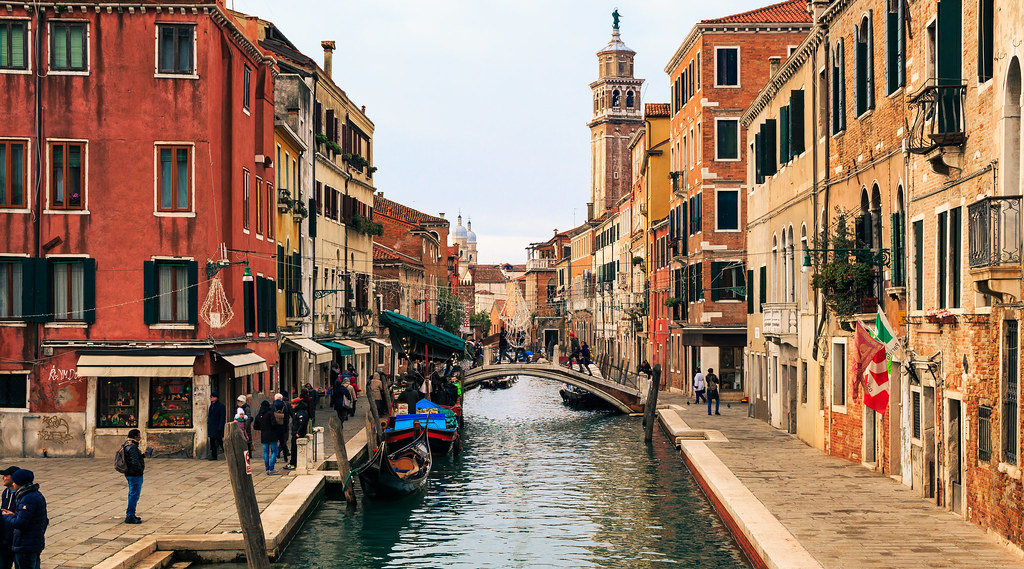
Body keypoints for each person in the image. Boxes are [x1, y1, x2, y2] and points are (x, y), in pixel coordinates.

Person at [1, 470, 47, 569]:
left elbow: (20, 523)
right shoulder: (34, 494)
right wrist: (14, 515)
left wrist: (5, 517)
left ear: (19, 483)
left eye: (14, 482)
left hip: (26, 545)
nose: (13, 484)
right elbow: (30, 518)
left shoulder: (27, 498)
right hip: (32, 544)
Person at [121, 430, 145, 524]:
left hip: (130, 473)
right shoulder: (132, 447)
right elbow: (134, 461)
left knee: (133, 494)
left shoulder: (127, 444)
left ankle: (131, 514)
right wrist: (140, 470)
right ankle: (130, 516)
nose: (140, 438)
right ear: (135, 437)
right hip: (134, 474)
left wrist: (142, 456)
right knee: (134, 495)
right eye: (139, 436)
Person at [253, 400, 281, 475]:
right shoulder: (270, 413)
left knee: (266, 452)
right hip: (272, 435)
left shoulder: (258, 415)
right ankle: (271, 468)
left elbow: (255, 427)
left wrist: (262, 428)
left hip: (263, 435)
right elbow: (274, 424)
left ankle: (267, 469)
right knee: (275, 451)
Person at [0, 466, 20, 569]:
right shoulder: (5, 492)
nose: (2, 478)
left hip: (17, 537)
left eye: (5, 475)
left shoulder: (21, 494)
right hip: (4, 537)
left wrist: (13, 515)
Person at [207, 392, 226, 460]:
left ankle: (227, 453)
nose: (210, 398)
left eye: (212, 397)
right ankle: (214, 455)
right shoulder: (211, 405)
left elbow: (222, 417)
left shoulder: (221, 406)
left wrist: (220, 426)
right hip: (212, 426)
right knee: (212, 442)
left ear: (215, 398)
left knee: (220, 441)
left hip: (217, 426)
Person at [273, 394, 291, 462]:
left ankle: (274, 458)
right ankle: (285, 457)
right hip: (282, 427)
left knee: (274, 443)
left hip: (274, 428)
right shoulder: (284, 406)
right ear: (281, 399)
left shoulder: (272, 406)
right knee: (283, 442)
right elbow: (286, 418)